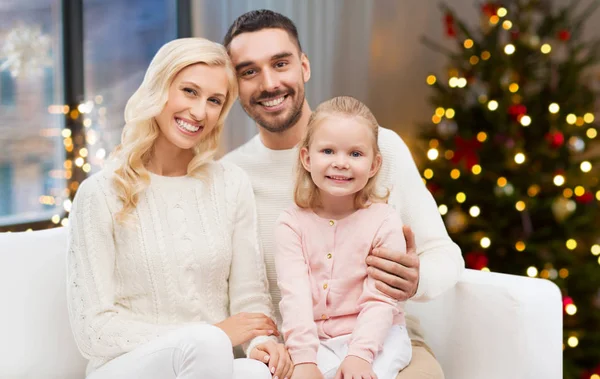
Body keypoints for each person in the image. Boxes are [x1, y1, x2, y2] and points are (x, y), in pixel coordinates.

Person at [221, 10, 465, 379]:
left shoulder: (382, 148)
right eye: (249, 71)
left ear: (304, 66)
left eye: (281, 63)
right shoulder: (230, 176)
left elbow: (446, 256)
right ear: (235, 85)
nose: (269, 83)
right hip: (295, 355)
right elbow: (239, 293)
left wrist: (416, 279)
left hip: (388, 344)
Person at [66, 37, 292, 379]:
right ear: (160, 89)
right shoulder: (99, 194)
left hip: (209, 362)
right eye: (189, 91)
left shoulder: (231, 184)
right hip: (127, 366)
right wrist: (213, 334)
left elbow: (249, 297)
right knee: (204, 344)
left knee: (259, 373)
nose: (200, 112)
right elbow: (93, 331)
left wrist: (261, 341)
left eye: (214, 100)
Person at [275, 96, 412, 379]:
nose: (341, 163)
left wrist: (360, 356)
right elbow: (294, 296)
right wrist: (303, 360)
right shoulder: (291, 223)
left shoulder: (385, 221)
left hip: (379, 336)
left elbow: (380, 299)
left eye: (355, 154)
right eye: (328, 151)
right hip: (317, 341)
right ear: (307, 158)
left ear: (374, 165)